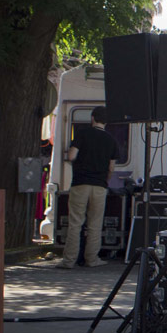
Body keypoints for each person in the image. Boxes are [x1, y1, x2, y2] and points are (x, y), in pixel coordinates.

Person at [57, 107, 117, 269]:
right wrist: (105, 180)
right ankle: (92, 259)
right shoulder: (111, 140)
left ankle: (69, 261)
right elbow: (111, 168)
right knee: (95, 224)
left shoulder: (82, 134)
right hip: (99, 186)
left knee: (75, 223)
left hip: (80, 183)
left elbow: (71, 156)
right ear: (106, 121)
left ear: (92, 118)